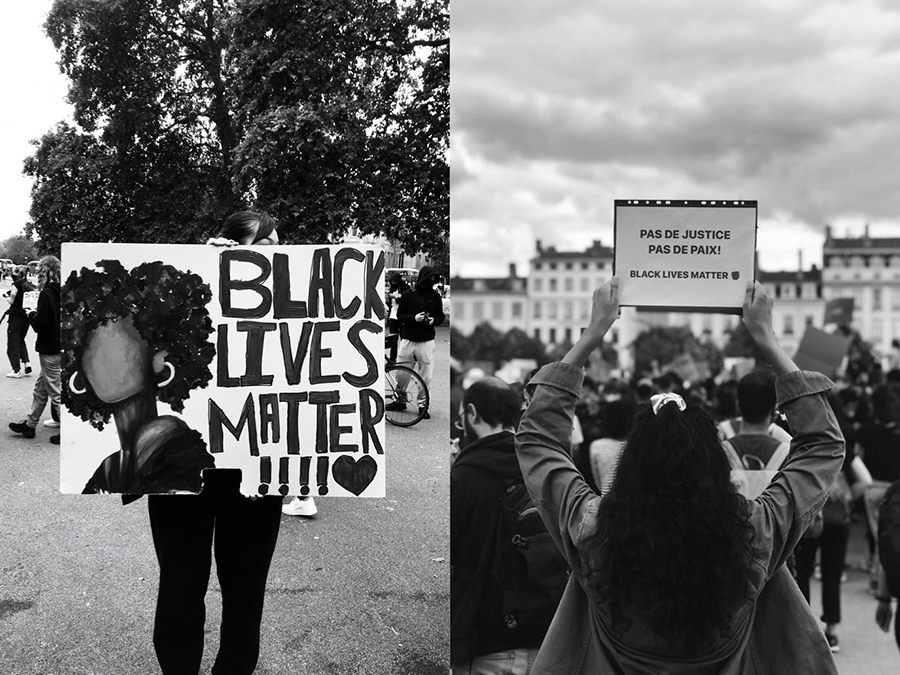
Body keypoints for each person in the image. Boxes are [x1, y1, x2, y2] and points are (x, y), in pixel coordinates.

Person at [515, 278, 844, 673]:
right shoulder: (754, 532)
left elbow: (538, 441)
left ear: (630, 463)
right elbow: (823, 444)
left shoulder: (594, 530)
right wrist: (767, 339)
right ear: (716, 463)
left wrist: (593, 333)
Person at [152, 211, 285, 674]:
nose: (274, 250)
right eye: (264, 241)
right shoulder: (186, 293)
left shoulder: (290, 304)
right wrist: (200, 278)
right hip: (182, 468)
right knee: (180, 582)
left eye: (276, 243)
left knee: (246, 588)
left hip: (256, 471)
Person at [451, 376, 547, 674]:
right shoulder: (545, 467)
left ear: (472, 414)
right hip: (549, 637)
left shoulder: (465, 478)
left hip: (486, 640)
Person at [793, 392, 872, 652]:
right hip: (839, 520)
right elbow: (866, 481)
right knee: (832, 574)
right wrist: (848, 495)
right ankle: (833, 631)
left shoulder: (806, 444)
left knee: (802, 572)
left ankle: (804, 629)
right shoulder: (843, 446)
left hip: (809, 519)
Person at [8, 256, 61, 443]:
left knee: (55, 391)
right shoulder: (61, 290)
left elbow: (41, 325)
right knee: (41, 389)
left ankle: (68, 430)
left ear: (44, 271)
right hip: (60, 345)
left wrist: (31, 314)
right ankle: (30, 425)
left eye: (39, 270)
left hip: (49, 347)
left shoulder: (46, 293)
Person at [388, 265, 445, 419]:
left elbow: (440, 316)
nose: (431, 282)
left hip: (425, 340)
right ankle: (400, 399)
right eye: (430, 279)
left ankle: (422, 405)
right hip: (408, 339)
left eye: (434, 279)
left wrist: (433, 320)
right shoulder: (408, 295)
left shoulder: (435, 296)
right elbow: (401, 315)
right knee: (401, 373)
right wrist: (414, 318)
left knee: (426, 376)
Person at [588, 397, 635, 496]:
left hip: (606, 501)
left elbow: (598, 483)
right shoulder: (637, 444)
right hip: (633, 502)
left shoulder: (596, 446)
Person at [5, 265, 33, 378]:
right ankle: (26, 362)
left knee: (13, 342)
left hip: (16, 316)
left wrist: (6, 297)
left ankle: (16, 369)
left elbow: (12, 300)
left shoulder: (16, 284)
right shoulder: (30, 284)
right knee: (21, 339)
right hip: (26, 316)